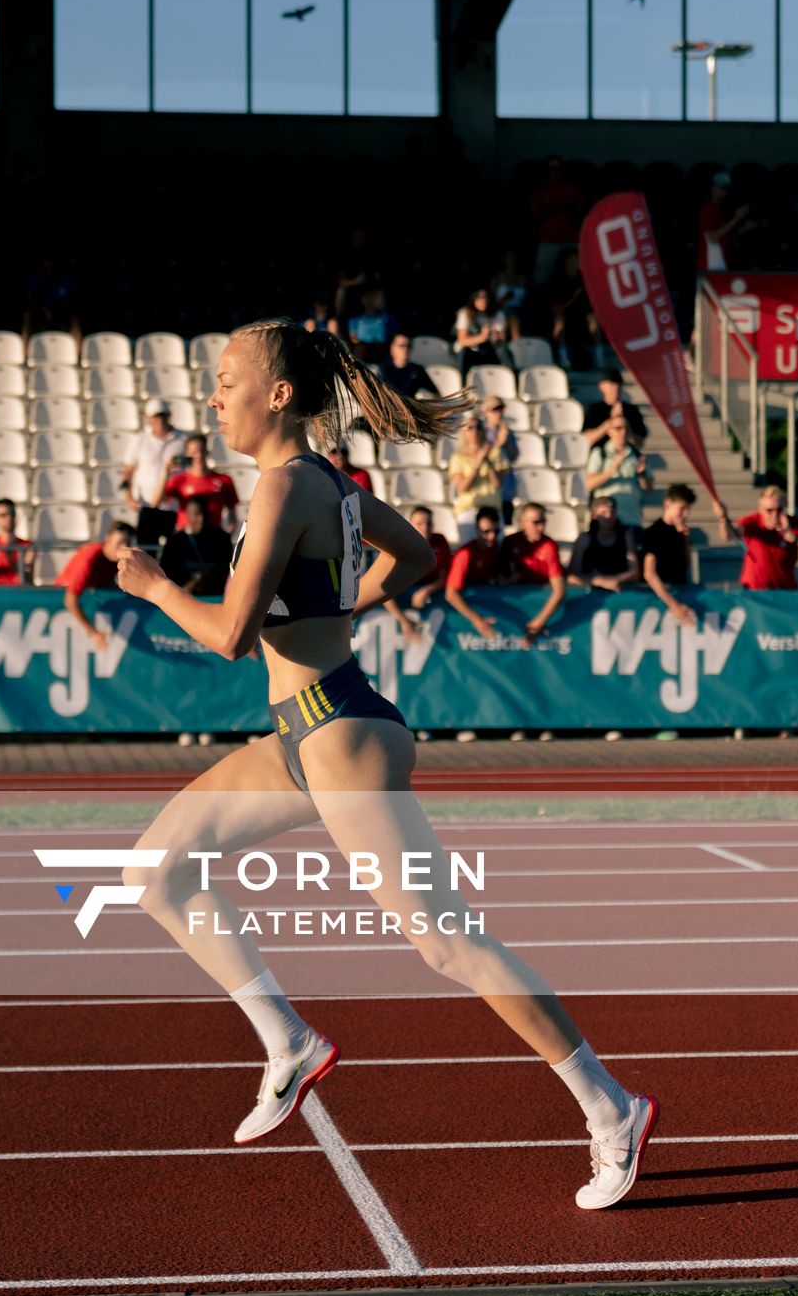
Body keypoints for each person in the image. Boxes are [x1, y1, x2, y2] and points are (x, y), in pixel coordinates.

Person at [114, 319, 655, 1208]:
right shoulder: (325, 481)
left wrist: (154, 586)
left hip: (340, 739)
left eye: (225, 378)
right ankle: (287, 1043)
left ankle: (611, 1109)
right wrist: (335, 611)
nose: (214, 395)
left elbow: (229, 637)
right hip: (310, 731)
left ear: (277, 394)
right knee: (157, 871)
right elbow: (419, 558)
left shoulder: (286, 488)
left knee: (449, 944)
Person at [641, 483, 726, 627]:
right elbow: (649, 574)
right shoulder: (654, 533)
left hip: (679, 594)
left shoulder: (680, 532)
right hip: (660, 602)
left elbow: (685, 566)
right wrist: (674, 606)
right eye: (682, 509)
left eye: (688, 509)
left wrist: (685, 540)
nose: (686, 514)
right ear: (667, 504)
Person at [57, 522, 136, 648]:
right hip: (61, 609)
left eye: (128, 543)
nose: (124, 547)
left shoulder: (117, 560)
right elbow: (69, 601)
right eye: (120, 542)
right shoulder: (89, 557)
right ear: (108, 538)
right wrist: (93, 633)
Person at [121, 400, 186, 546]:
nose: (160, 420)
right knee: (146, 550)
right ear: (148, 418)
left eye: (163, 416)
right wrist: (128, 497)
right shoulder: (140, 439)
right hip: (147, 505)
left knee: (171, 554)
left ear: (169, 416)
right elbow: (127, 471)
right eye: (156, 416)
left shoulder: (183, 439)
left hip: (174, 506)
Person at [501, 503, 567, 647]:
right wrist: (507, 580)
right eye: (536, 522)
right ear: (522, 523)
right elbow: (498, 578)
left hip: (541, 606)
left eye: (543, 522)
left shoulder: (549, 546)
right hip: (516, 610)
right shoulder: (510, 543)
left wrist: (538, 622)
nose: (541, 527)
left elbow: (559, 591)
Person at [734, 485, 798, 590]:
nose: (774, 515)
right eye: (769, 510)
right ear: (760, 510)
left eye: (779, 510)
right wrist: (722, 519)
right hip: (755, 593)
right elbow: (730, 535)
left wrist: (795, 539)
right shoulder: (753, 522)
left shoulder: (794, 524)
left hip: (784, 593)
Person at [387, 503, 451, 644]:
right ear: (410, 525)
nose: (425, 528)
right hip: (402, 591)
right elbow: (383, 591)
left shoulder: (439, 541)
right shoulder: (399, 546)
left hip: (429, 590)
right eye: (420, 523)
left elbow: (445, 577)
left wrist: (426, 590)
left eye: (428, 523)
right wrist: (404, 621)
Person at [443, 505, 507, 640]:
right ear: (477, 530)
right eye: (487, 531)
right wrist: (477, 620)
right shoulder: (465, 554)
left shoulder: (495, 549)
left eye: (496, 531)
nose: (492, 536)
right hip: (462, 624)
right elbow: (451, 594)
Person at [448, 417, 512, 541]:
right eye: (470, 428)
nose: (475, 431)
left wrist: (487, 459)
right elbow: (462, 487)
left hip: (492, 510)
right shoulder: (457, 457)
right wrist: (478, 463)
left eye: (479, 427)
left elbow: (498, 483)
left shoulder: (496, 453)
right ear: (464, 432)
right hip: (468, 510)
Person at [163, 434, 238, 533]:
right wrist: (166, 472)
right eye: (194, 452)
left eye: (201, 451)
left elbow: (232, 514)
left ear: (207, 451)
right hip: (186, 538)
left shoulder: (224, 480)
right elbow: (157, 501)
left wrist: (226, 536)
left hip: (213, 537)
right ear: (186, 454)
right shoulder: (179, 480)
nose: (198, 455)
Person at [584, 416, 649, 528]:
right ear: (609, 431)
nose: (623, 432)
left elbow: (648, 487)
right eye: (618, 428)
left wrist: (641, 475)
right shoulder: (600, 453)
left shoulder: (636, 455)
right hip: (606, 521)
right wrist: (611, 471)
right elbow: (589, 484)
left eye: (626, 428)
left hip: (631, 520)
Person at [161, 495, 233, 596]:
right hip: (185, 597)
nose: (201, 518)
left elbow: (227, 570)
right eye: (197, 514)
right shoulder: (175, 541)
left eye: (204, 513)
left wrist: (207, 579)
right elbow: (168, 573)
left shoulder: (222, 539)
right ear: (188, 515)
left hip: (215, 596)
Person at [529, 157, 583, 286]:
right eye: (551, 169)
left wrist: (567, 209)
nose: (555, 172)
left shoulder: (573, 190)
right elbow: (535, 218)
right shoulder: (539, 193)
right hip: (549, 241)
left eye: (558, 169)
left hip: (572, 240)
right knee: (541, 278)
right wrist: (550, 210)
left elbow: (580, 214)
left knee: (581, 274)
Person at [569, 496, 639, 592]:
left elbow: (634, 572)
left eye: (612, 512)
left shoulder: (626, 536)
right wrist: (600, 581)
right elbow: (572, 576)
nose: (609, 516)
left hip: (620, 591)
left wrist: (613, 580)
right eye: (603, 513)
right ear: (595, 515)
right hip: (592, 593)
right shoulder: (584, 539)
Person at [549, 248, 597, 373]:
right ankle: (564, 356)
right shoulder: (558, 281)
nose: (574, 264)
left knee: (593, 319)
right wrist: (574, 297)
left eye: (576, 261)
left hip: (582, 316)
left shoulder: (584, 279)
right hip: (565, 315)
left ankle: (598, 354)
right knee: (560, 320)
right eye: (571, 261)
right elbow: (557, 309)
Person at [697, 171, 749, 273]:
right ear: (713, 187)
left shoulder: (720, 209)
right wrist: (736, 218)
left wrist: (743, 229)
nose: (724, 191)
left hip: (720, 265)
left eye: (726, 189)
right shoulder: (708, 208)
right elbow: (712, 238)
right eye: (722, 188)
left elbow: (724, 240)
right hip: (710, 266)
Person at [453, 288, 507, 385]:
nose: (483, 301)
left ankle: (507, 383)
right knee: (464, 351)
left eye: (486, 298)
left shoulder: (497, 313)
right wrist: (482, 337)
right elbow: (462, 340)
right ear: (473, 299)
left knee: (502, 351)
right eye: (479, 298)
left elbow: (501, 339)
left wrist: (496, 336)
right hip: (469, 351)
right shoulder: (465, 312)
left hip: (489, 349)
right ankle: (462, 386)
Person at [581, 373, 648, 450]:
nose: (616, 388)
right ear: (602, 386)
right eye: (611, 385)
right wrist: (610, 423)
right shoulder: (594, 409)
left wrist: (625, 428)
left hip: (626, 456)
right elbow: (587, 439)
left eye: (618, 384)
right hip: (601, 456)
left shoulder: (631, 410)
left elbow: (640, 442)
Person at [480, 397, 519, 517]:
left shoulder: (507, 431)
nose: (499, 413)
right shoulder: (480, 432)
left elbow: (514, 456)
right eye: (494, 410)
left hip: (506, 491)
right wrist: (499, 443)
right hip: (488, 491)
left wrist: (507, 440)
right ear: (486, 412)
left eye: (501, 409)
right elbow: (482, 458)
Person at [380, 334, 437, 404]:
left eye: (408, 346)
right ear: (392, 348)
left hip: (413, 410)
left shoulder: (418, 370)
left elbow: (434, 393)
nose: (405, 349)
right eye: (401, 346)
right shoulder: (384, 369)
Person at [348, 286, 397, 365]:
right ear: (362, 299)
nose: (371, 299)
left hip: (384, 349)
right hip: (364, 352)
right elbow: (354, 339)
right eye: (368, 297)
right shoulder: (355, 319)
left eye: (374, 296)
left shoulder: (387, 317)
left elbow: (395, 336)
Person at [489, 249, 527, 343]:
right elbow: (490, 303)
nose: (512, 260)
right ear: (504, 259)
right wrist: (504, 298)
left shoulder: (524, 280)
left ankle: (518, 347)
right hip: (501, 310)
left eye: (514, 258)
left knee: (515, 317)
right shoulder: (497, 279)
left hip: (519, 311)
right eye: (509, 257)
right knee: (509, 318)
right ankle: (512, 345)